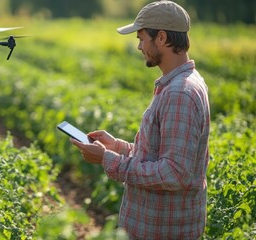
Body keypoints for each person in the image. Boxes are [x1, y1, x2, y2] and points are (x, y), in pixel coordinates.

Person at [71, 1, 210, 239]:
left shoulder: (179, 93)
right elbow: (161, 155)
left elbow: (174, 173)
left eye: (142, 38)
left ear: (162, 38)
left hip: (161, 230)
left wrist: (109, 160)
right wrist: (118, 147)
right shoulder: (179, 84)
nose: (139, 46)